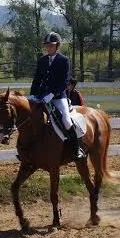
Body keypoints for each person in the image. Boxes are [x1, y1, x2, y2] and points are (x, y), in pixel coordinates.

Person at [29, 32, 85, 160]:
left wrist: (52, 94)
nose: (48, 48)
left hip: (59, 97)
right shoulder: (42, 60)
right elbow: (36, 79)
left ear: (57, 46)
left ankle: (77, 149)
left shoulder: (63, 60)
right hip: (41, 96)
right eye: (46, 46)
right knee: (31, 117)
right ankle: (29, 149)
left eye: (51, 45)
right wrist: (32, 95)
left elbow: (64, 82)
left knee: (66, 120)